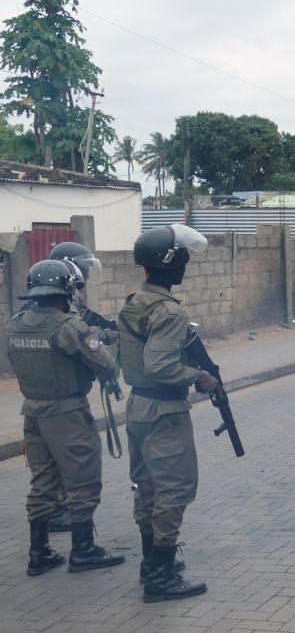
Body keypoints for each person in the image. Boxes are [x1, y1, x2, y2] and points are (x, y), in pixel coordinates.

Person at [6, 260, 124, 576]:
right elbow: (107, 367)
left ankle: (39, 552)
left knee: (43, 481)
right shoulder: (68, 326)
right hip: (68, 414)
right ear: (68, 290)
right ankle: (84, 550)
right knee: (82, 478)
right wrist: (102, 342)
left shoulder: (15, 324)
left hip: (33, 412)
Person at [119, 224, 216, 602]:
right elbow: (160, 365)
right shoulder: (171, 312)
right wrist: (199, 376)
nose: (187, 263)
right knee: (175, 489)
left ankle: (150, 563)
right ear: (171, 262)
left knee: (148, 486)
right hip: (164, 409)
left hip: (139, 406)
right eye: (184, 257)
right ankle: (161, 576)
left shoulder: (134, 302)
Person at [41, 242, 116, 533]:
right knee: (71, 459)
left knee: (51, 460)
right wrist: (101, 340)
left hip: (49, 398)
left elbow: (87, 324)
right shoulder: (58, 307)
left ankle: (50, 515)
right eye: (83, 267)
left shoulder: (64, 300)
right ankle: (64, 517)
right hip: (61, 400)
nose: (86, 274)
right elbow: (77, 335)